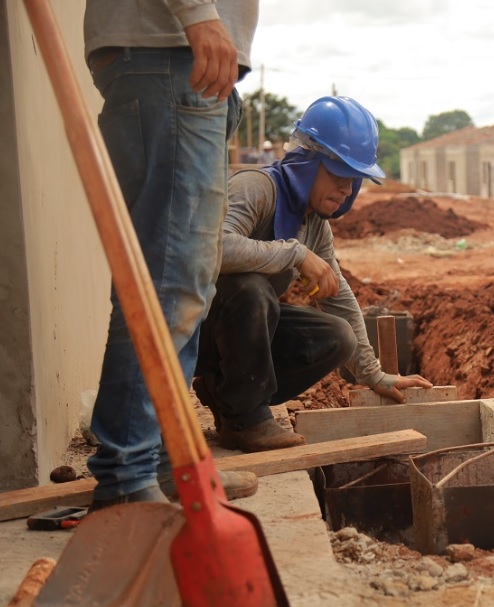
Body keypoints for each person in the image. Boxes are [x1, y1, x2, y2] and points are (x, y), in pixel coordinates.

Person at [83, 0, 260, 511]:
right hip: (170, 54)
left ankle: (162, 462)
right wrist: (198, 13)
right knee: (170, 281)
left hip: (179, 62)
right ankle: (127, 474)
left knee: (184, 283)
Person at [192, 96, 434, 452]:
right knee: (251, 288)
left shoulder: (314, 225)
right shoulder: (257, 189)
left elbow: (338, 297)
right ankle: (246, 421)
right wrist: (294, 253)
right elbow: (213, 250)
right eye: (339, 175)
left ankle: (225, 396)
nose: (347, 190)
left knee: (337, 336)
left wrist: (373, 374)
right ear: (307, 162)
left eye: (355, 180)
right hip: (192, 333)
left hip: (233, 340)